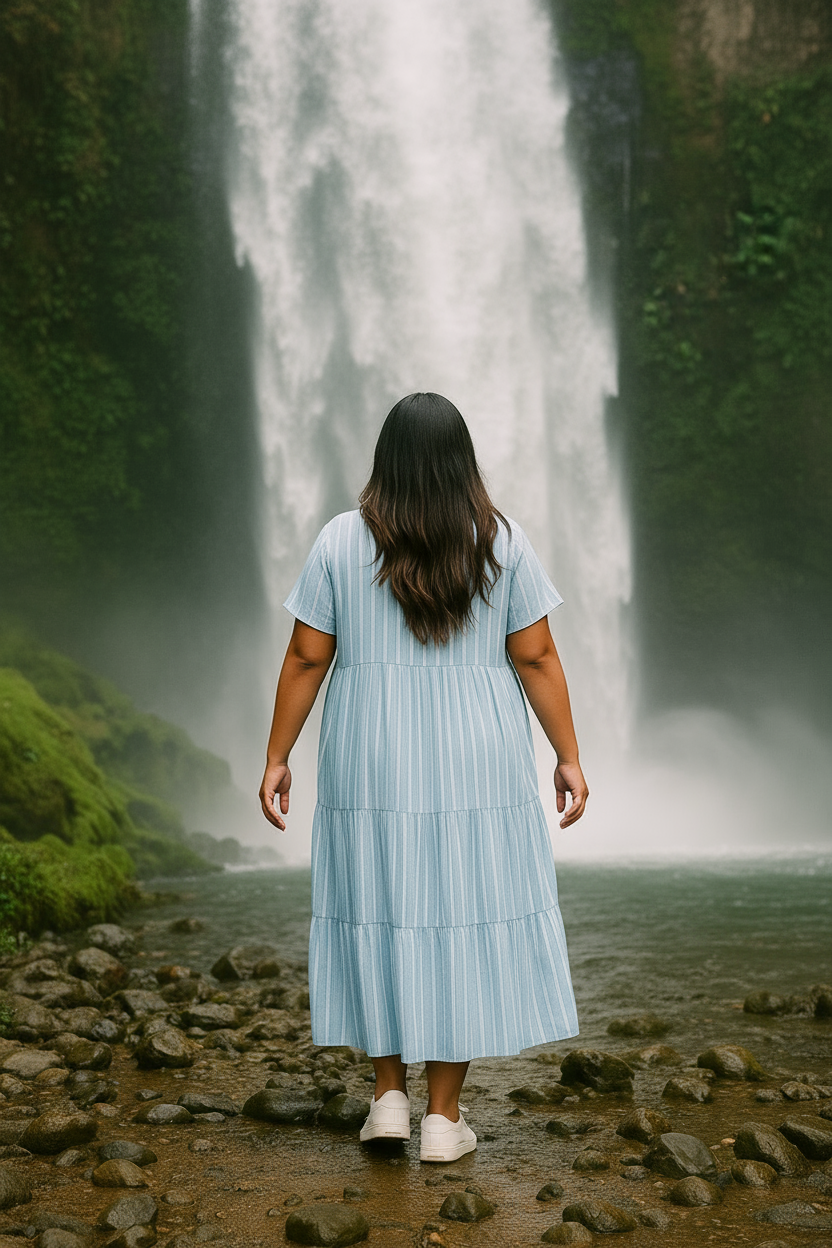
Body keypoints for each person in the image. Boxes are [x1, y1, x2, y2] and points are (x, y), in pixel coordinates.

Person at [259, 392, 587, 1163]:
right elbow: (535, 656)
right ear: (461, 462)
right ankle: (444, 1117)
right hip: (476, 753)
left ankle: (387, 1100)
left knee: (376, 900)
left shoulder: (342, 541)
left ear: (387, 460)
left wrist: (277, 753)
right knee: (463, 910)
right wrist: (568, 753)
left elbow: (308, 656)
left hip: (368, 749)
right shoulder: (499, 541)